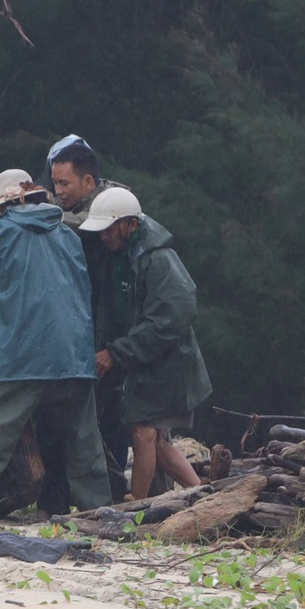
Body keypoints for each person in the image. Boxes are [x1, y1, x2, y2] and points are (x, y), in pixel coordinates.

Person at [0, 171, 119, 511]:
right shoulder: (67, 236)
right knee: (83, 445)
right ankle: (100, 511)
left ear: (5, 205)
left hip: (18, 357)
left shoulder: (0, 232)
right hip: (73, 359)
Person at [78, 185, 213, 499]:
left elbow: (172, 318)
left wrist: (116, 352)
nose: (104, 236)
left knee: (142, 433)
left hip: (166, 363)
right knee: (156, 440)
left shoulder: (159, 259)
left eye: (109, 229)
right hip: (144, 360)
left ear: (130, 225)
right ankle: (201, 495)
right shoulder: (121, 254)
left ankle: (136, 510)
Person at [39, 136, 132, 505]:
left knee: (106, 422)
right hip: (88, 333)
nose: (57, 191)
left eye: (64, 184)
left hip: (107, 337)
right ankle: (66, 499)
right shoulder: (90, 205)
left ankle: (104, 497)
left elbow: (63, 220)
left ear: (89, 183)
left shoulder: (110, 213)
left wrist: (113, 347)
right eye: (55, 183)